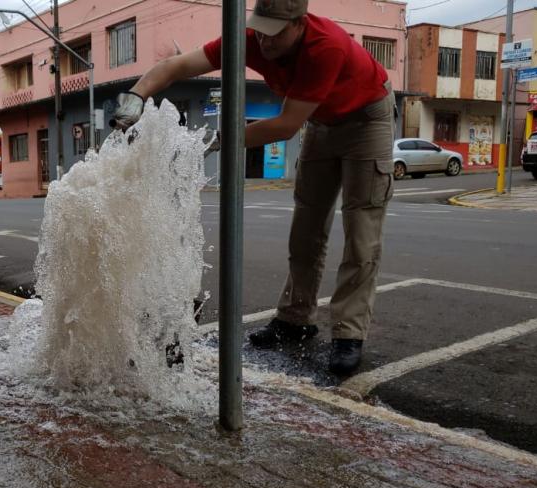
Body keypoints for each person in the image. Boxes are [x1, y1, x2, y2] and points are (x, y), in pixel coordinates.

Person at [112, 0, 395, 374]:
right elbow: (177, 65)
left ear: (299, 24)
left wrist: (207, 141)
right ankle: (296, 318)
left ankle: (349, 333)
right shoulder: (249, 38)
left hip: (366, 119)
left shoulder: (324, 47)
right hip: (322, 124)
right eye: (260, 27)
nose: (264, 40)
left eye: (275, 32)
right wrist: (136, 95)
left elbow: (285, 125)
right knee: (306, 228)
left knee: (361, 233)